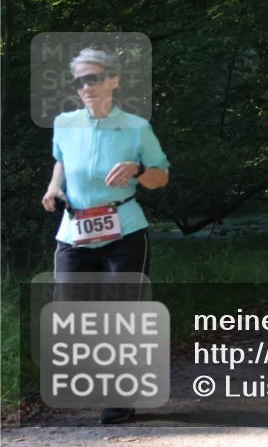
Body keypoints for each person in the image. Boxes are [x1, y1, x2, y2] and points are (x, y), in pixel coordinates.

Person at [41, 48, 170, 425]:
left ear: (113, 80)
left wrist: (139, 168)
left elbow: (161, 176)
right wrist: (53, 189)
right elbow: (61, 161)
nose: (86, 87)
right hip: (74, 232)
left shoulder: (136, 127)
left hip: (125, 231)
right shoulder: (64, 123)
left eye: (93, 78)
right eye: (79, 81)